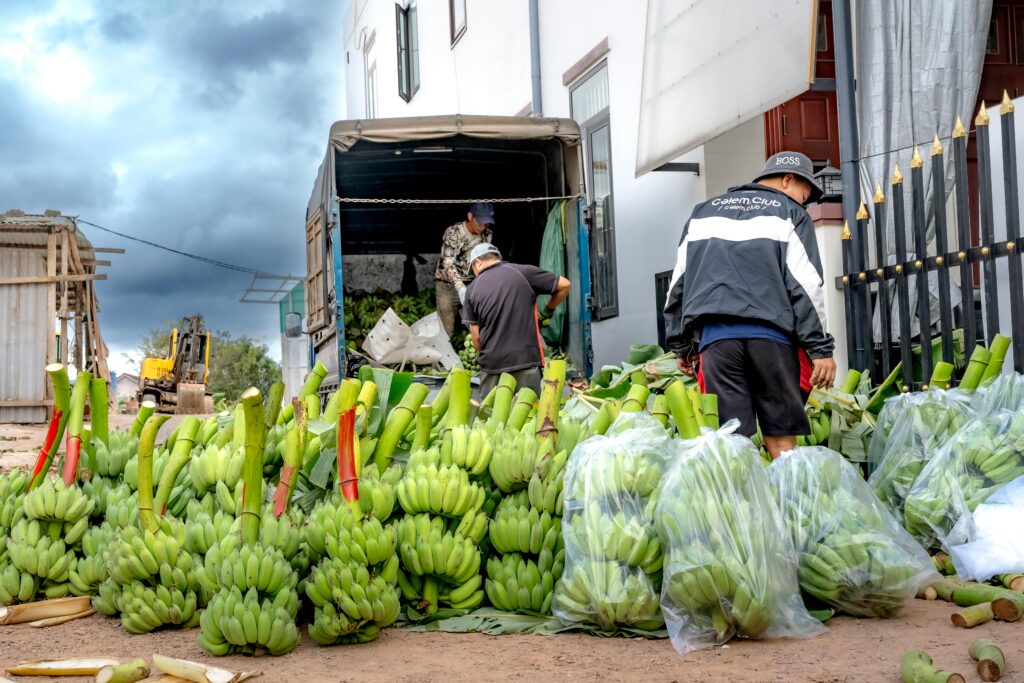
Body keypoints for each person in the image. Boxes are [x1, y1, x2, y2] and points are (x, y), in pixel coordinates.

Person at [664, 151, 837, 459]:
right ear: (788, 180)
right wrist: (821, 349)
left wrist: (681, 346)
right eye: (804, 195)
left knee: (733, 442)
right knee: (782, 442)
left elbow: (678, 283)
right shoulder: (789, 213)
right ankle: (786, 505)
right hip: (772, 342)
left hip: (717, 341)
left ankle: (742, 506)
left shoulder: (702, 213)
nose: (804, 203)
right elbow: (808, 286)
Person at [461, 243, 571, 397]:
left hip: (492, 366)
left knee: (491, 417)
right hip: (524, 360)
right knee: (529, 415)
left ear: (478, 262)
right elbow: (564, 285)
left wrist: (489, 355)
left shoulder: (472, 289)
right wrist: (547, 312)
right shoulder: (523, 272)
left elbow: (476, 337)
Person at [435, 202, 495, 338]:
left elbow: (486, 260)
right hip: (448, 285)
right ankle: (444, 357)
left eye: (487, 223)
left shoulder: (487, 234)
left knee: (479, 326)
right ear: (470, 216)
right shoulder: (454, 232)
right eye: (480, 222)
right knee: (447, 329)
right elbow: (448, 262)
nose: (483, 226)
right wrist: (460, 287)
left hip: (473, 284)